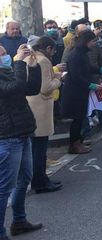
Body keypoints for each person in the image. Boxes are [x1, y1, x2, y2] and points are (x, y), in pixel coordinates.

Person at [0, 44, 43, 239]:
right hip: (8, 137)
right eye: (1, 54)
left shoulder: (7, 72)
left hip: (22, 132)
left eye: (4, 52)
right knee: (4, 188)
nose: (5, 55)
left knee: (24, 178)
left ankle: (19, 221)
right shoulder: (7, 75)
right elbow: (14, 89)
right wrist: (18, 62)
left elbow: (31, 89)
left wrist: (33, 67)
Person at [61, 30, 102, 154]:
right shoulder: (75, 55)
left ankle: (77, 142)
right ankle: (74, 145)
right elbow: (76, 76)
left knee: (80, 118)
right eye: (93, 41)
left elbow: (88, 68)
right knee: (77, 119)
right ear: (86, 41)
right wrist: (90, 85)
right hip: (74, 93)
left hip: (80, 91)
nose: (94, 43)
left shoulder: (82, 53)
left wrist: (101, 69)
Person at [25, 37, 63, 194]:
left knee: (34, 148)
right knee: (40, 148)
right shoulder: (44, 61)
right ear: (49, 48)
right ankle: (40, 181)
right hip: (41, 107)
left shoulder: (28, 58)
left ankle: (39, 179)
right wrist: (59, 79)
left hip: (30, 105)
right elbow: (46, 88)